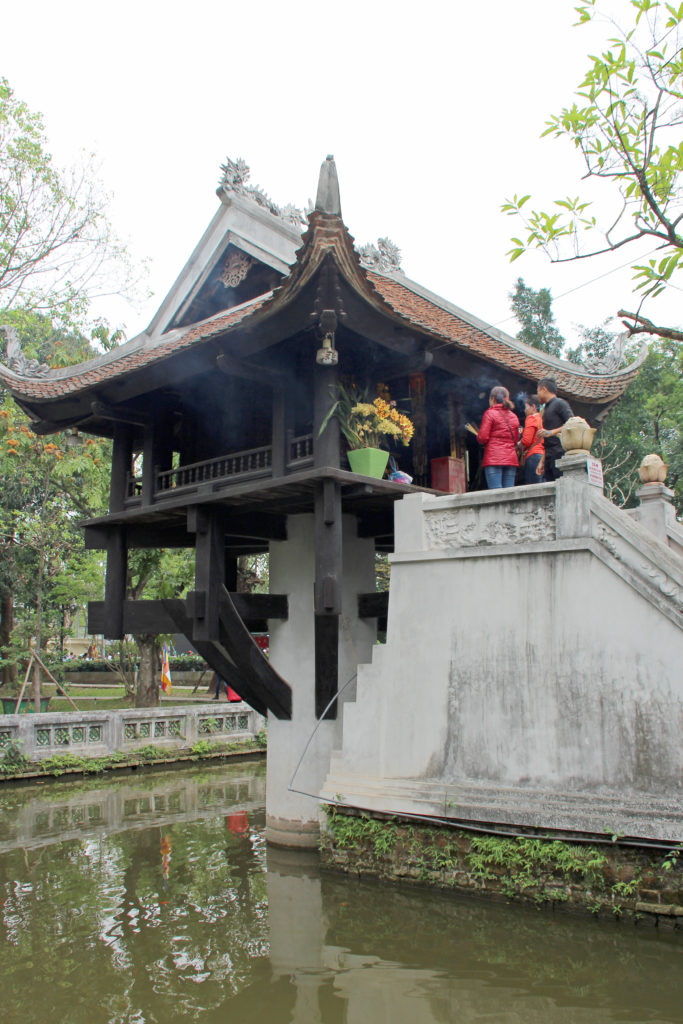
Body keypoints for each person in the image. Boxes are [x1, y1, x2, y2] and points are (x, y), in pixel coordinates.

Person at [476, 385, 519, 489]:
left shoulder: (490, 413)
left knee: (496, 493)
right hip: (510, 459)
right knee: (509, 493)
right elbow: (515, 440)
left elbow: (483, 437)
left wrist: (478, 436)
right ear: (507, 398)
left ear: (492, 399)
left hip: (493, 458)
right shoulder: (514, 416)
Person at [536, 377, 573, 481]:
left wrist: (551, 432)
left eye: (538, 391)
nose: (538, 394)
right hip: (548, 454)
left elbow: (572, 423)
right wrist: (542, 461)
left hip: (560, 451)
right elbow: (546, 441)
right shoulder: (545, 408)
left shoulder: (560, 404)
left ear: (544, 389)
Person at [519, 395, 544, 484]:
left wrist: (518, 445)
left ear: (533, 406)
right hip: (542, 455)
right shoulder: (542, 418)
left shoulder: (531, 418)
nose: (525, 410)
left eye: (526, 407)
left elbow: (526, 441)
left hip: (533, 455)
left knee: (532, 486)